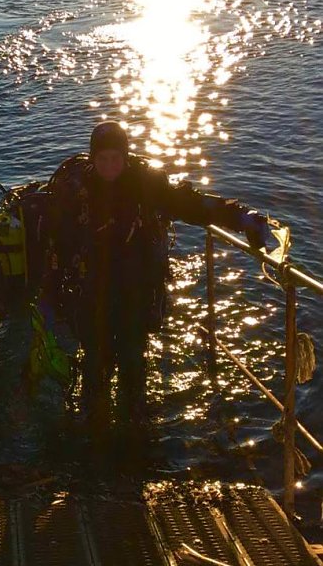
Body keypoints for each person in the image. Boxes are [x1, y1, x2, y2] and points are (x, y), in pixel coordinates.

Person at [36, 121, 272, 434]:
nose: (109, 167)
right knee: (95, 363)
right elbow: (57, 245)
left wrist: (240, 218)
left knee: (134, 362)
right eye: (102, 159)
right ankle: (94, 428)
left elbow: (191, 203)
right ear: (93, 159)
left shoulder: (145, 186)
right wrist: (48, 299)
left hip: (137, 293)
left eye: (116, 159)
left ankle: (136, 432)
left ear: (126, 157)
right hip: (91, 295)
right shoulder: (75, 193)